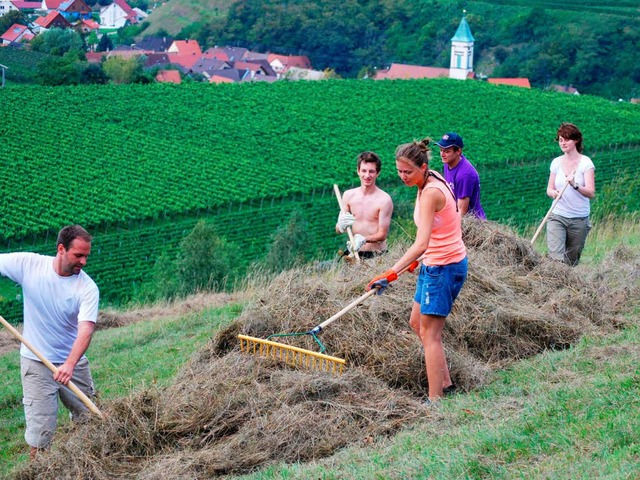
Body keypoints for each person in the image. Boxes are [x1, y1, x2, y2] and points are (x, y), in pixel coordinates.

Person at [367, 138, 467, 404]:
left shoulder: (432, 191)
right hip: (434, 262)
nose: (403, 177)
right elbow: (438, 229)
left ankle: (435, 401)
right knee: (417, 324)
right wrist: (417, 260)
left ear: (423, 167)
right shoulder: (426, 181)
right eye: (399, 171)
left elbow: (420, 241)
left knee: (430, 334)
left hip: (443, 267)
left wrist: (391, 272)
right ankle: (445, 384)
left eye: (408, 172)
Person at [0, 225, 99, 460]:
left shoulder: (87, 288)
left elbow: (86, 330)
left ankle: (90, 465)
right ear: (61, 249)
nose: (84, 261)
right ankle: (38, 473)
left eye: (86, 256)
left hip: (71, 362)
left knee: (91, 421)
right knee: (40, 435)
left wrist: (70, 364)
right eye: (79, 255)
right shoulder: (29, 265)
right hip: (36, 362)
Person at [545, 122, 595, 266]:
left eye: (566, 139)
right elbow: (549, 189)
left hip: (579, 219)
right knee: (556, 260)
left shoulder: (586, 163)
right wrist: (553, 193)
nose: (563, 143)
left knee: (571, 263)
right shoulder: (556, 163)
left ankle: (566, 287)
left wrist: (575, 185)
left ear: (576, 140)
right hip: (557, 216)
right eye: (560, 140)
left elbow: (591, 193)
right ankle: (554, 286)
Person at [336, 151, 394, 259]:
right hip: (353, 254)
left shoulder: (384, 200)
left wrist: (363, 240)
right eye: (364, 171)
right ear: (358, 171)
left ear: (378, 173)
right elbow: (338, 230)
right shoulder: (348, 196)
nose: (367, 175)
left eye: (371, 171)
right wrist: (340, 225)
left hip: (377, 256)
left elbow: (382, 235)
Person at [435, 132, 486, 219]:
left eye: (447, 151)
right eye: (441, 150)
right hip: (454, 213)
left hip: (472, 223)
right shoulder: (448, 162)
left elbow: (462, 211)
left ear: (458, 151)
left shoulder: (464, 175)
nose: (442, 154)